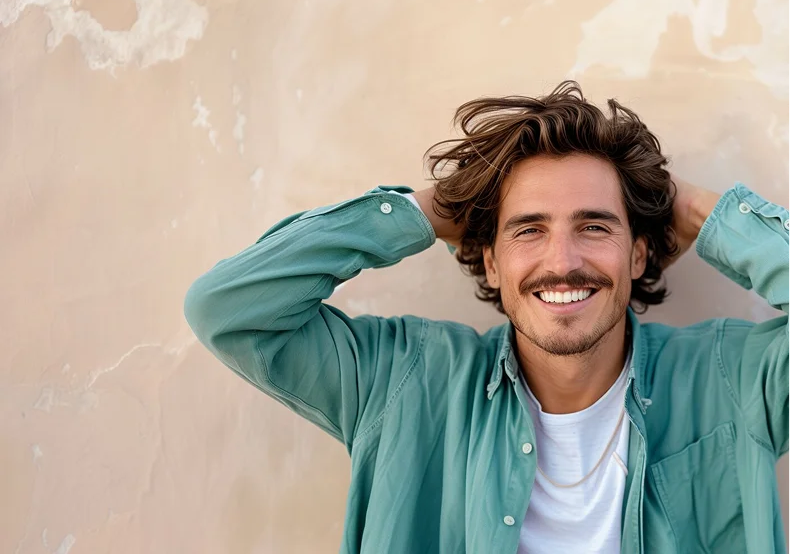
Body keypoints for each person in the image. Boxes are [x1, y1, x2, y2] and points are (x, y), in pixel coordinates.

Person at [184, 81, 790, 553]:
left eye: (595, 226)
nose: (564, 261)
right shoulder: (403, 383)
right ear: (491, 262)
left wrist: (698, 210)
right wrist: (422, 211)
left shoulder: (732, 380)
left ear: (638, 254)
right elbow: (231, 307)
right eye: (529, 229)